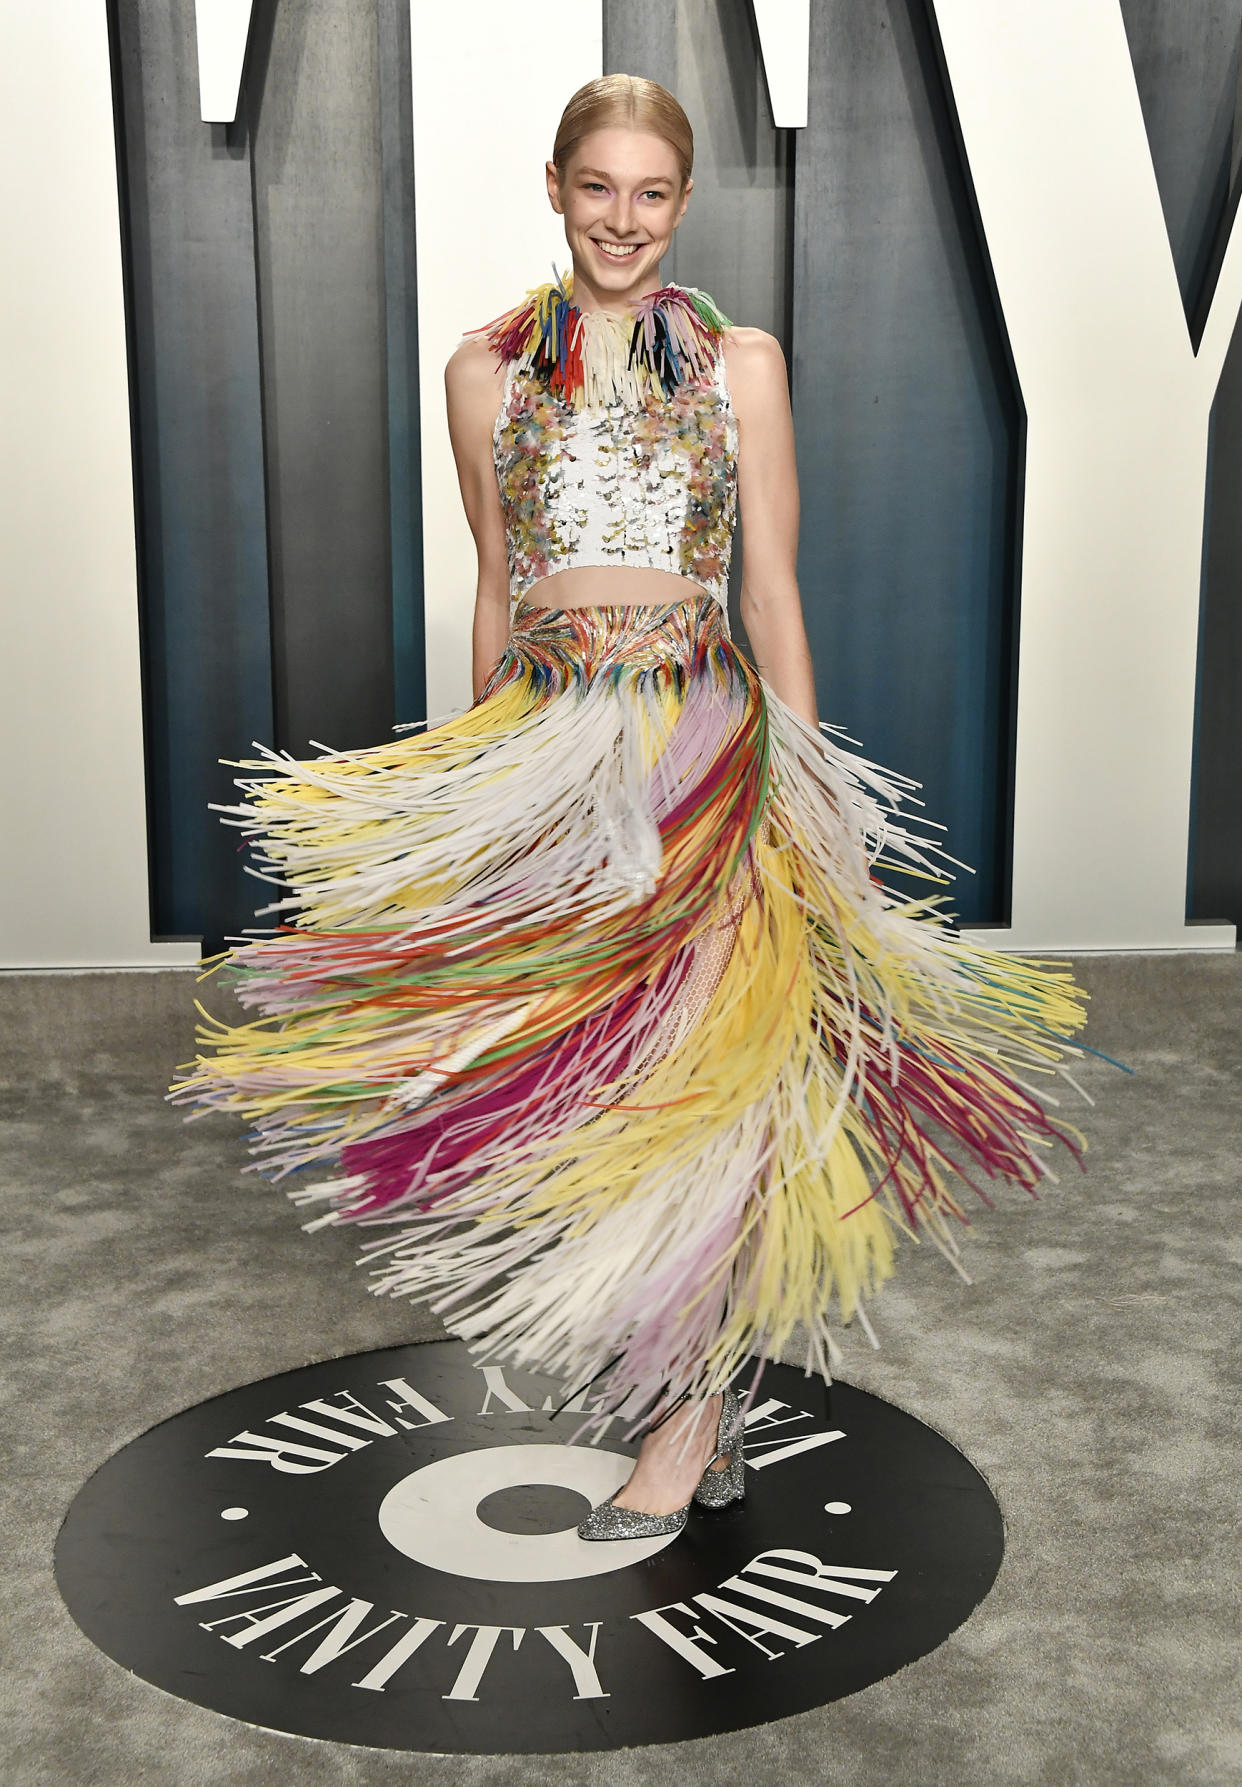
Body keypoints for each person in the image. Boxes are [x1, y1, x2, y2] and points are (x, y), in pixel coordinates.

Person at [171, 75, 1093, 1543]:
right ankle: (695, 1385)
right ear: (553, 188)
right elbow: (493, 579)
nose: (621, 218)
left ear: (680, 204)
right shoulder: (486, 371)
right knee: (593, 1082)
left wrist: (802, 781)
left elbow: (771, 584)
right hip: (550, 746)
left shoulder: (741, 363)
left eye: (648, 192)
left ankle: (683, 1425)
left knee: (707, 1087)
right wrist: (478, 793)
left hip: (702, 745)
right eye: (595, 187)